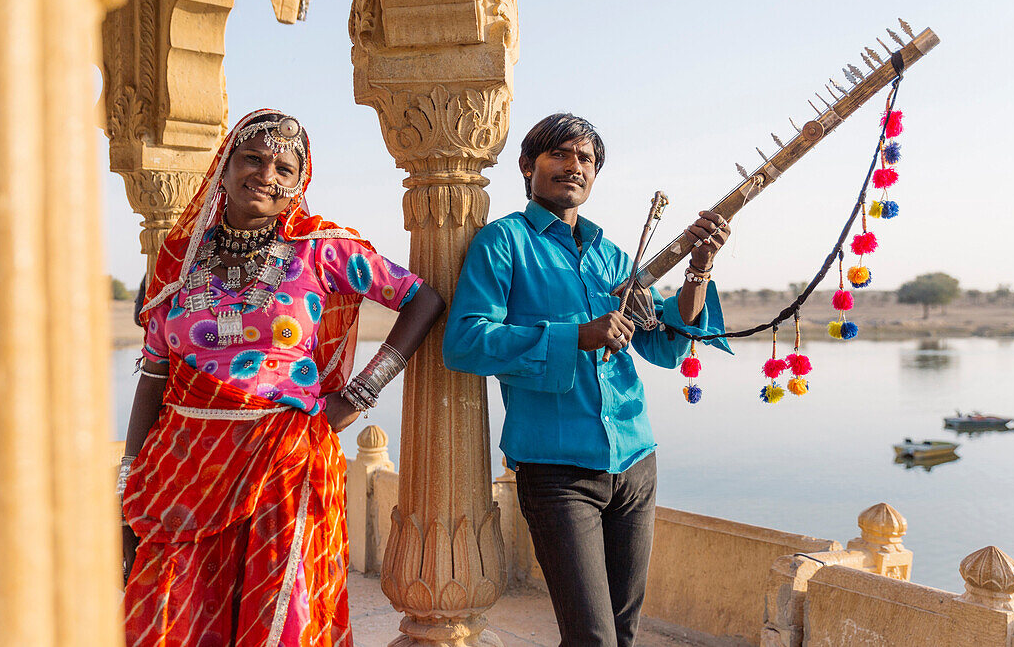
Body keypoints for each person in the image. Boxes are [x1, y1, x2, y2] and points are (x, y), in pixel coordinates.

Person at [120, 109, 444, 646]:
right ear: (222, 169)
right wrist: (128, 480)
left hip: (284, 457)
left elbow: (421, 300)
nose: (266, 174)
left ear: (297, 186)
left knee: (277, 611)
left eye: (284, 168)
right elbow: (153, 377)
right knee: (167, 612)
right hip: (183, 463)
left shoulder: (318, 249)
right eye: (252, 158)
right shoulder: (179, 261)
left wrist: (359, 394)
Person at [442, 113, 731, 646]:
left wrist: (699, 268)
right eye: (560, 154)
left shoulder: (614, 256)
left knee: (622, 633)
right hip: (557, 471)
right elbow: (465, 342)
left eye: (586, 159)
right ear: (528, 166)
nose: (574, 167)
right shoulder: (503, 243)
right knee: (590, 638)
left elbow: (665, 343)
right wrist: (578, 334)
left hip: (635, 460)